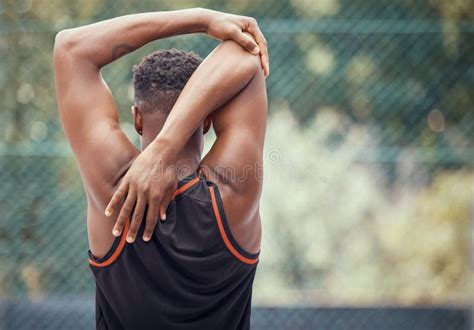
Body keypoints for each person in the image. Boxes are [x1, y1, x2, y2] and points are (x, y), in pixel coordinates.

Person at [53, 7, 268, 330]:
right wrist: (166, 149)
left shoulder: (112, 189)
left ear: (137, 119)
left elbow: (70, 49)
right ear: (207, 120)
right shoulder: (233, 194)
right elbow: (244, 52)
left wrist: (201, 19)